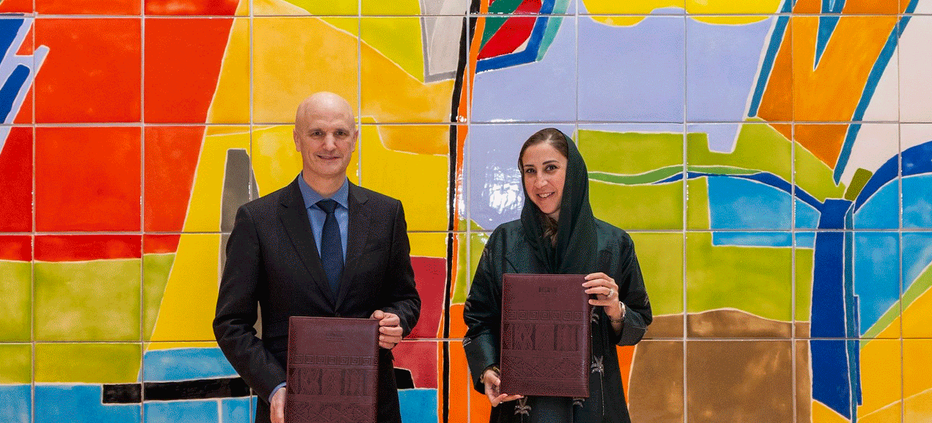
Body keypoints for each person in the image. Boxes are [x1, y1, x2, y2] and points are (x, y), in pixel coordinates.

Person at [213, 92, 421, 423]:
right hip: (289, 406)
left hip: (373, 406)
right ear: (297, 139)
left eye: (340, 133)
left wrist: (396, 321)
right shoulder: (257, 220)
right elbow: (231, 323)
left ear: (354, 140)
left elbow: (405, 298)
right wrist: (275, 386)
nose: (329, 144)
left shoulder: (387, 214)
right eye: (316, 133)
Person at [463, 127, 653, 422]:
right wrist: (488, 369)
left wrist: (616, 309)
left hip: (595, 406)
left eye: (551, 168)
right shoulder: (505, 241)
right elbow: (479, 320)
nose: (540, 182)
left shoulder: (613, 244)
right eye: (530, 171)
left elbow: (638, 325)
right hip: (521, 408)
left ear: (574, 171)